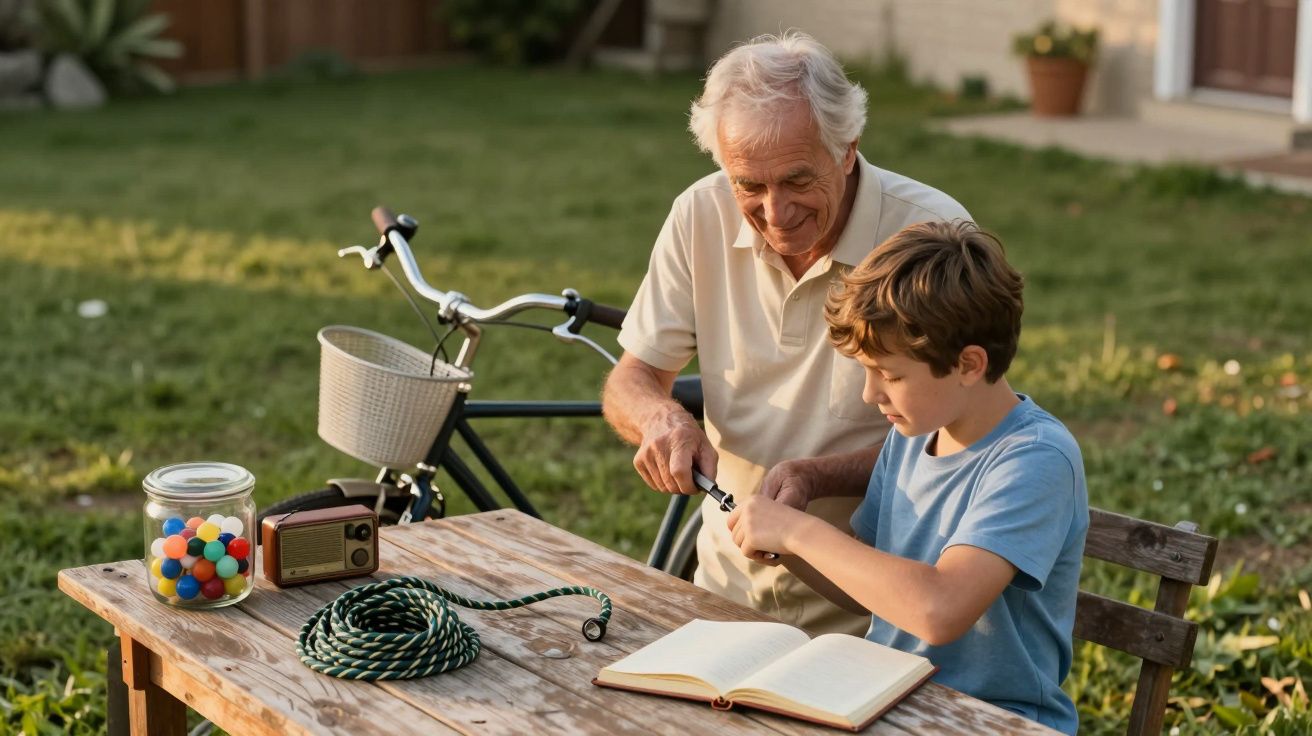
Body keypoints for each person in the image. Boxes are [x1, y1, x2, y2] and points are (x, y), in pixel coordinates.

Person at [602, 32, 972, 636]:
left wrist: (815, 477)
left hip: (880, 615)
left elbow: (968, 436)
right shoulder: (699, 213)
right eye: (748, 184)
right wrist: (660, 420)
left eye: (797, 180)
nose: (775, 212)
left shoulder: (931, 236)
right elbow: (632, 378)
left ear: (847, 149)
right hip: (721, 594)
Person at [725, 220, 1089, 734]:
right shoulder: (916, 435)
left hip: (995, 720)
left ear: (968, 364)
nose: (870, 395)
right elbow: (871, 595)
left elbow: (939, 610)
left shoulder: (1035, 459)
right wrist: (787, 548)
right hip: (889, 700)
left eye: (891, 375)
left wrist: (799, 532)